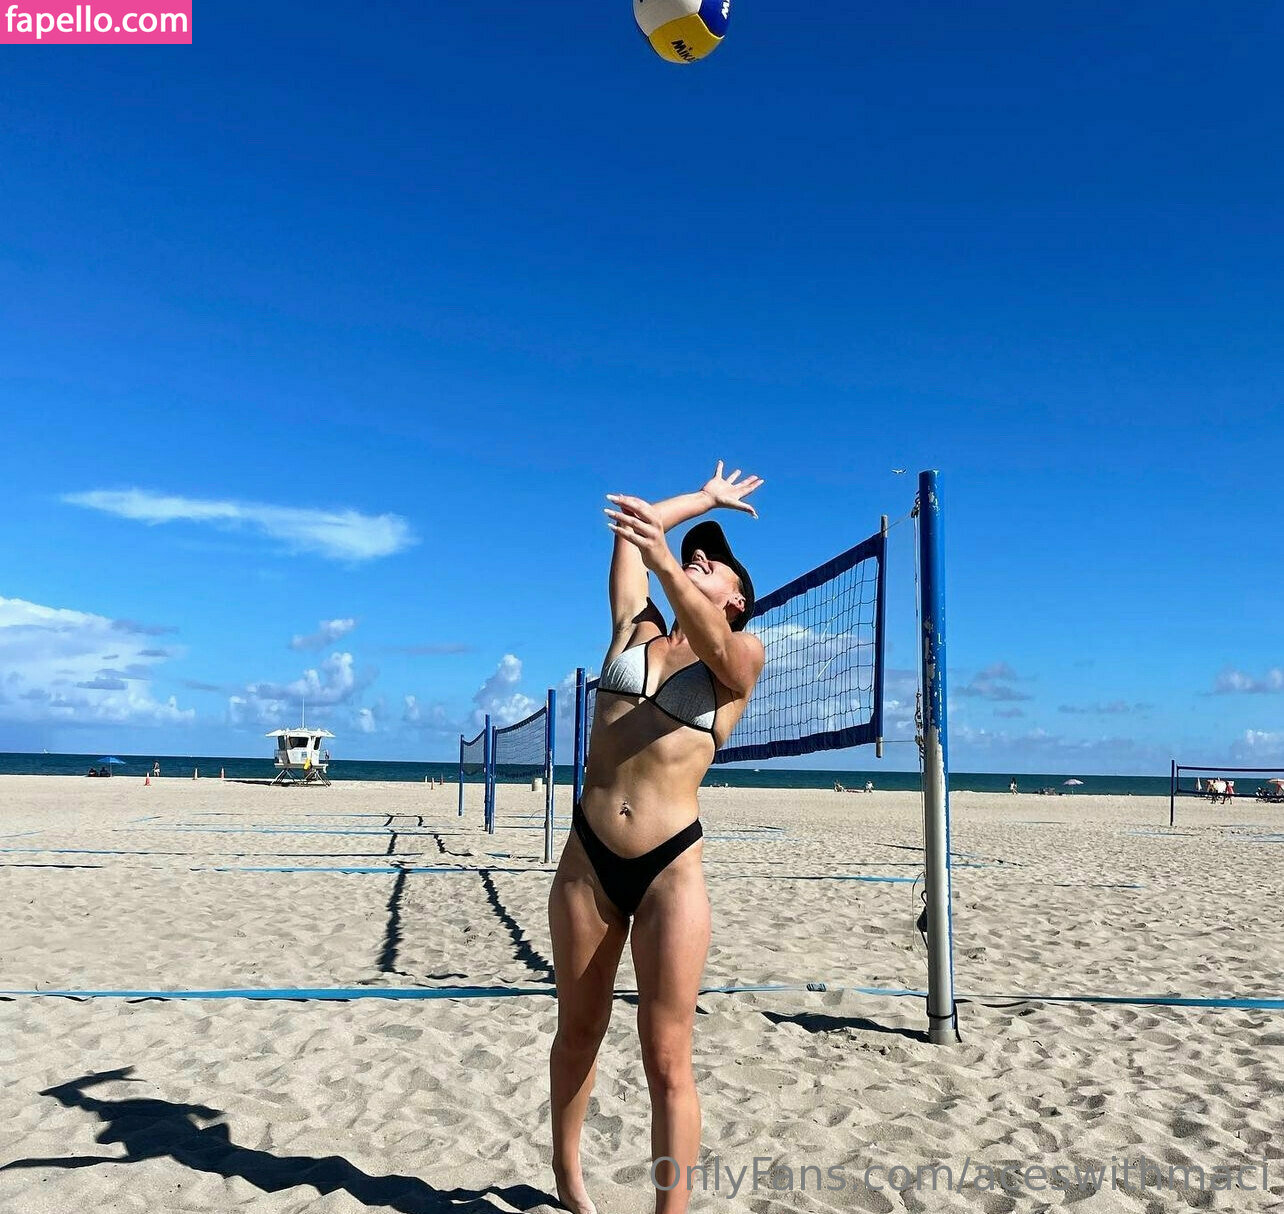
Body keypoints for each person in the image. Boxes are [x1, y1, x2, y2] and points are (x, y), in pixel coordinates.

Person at [548, 463, 765, 1214]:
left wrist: (673, 561)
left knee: (667, 1056)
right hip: (588, 857)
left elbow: (698, 616)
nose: (701, 557)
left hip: (671, 869)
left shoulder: (742, 655)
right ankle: (569, 1181)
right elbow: (635, 532)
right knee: (578, 1031)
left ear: (736, 599)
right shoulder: (634, 627)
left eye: (717, 563)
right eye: (695, 553)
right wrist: (703, 501)